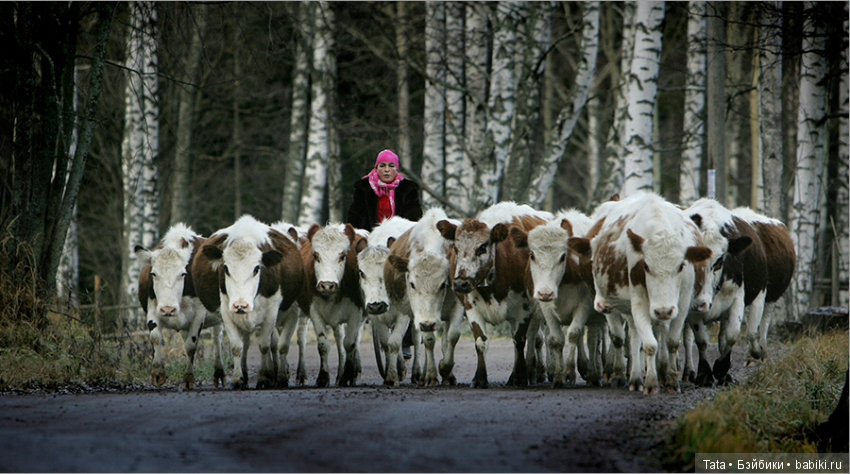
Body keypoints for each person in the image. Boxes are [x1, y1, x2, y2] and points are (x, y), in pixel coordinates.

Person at [347, 149, 422, 360]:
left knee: (404, 282)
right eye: (382, 166)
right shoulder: (363, 188)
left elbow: (415, 216)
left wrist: (397, 233)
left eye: (391, 166)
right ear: (376, 168)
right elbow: (355, 216)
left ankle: (406, 339)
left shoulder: (408, 188)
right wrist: (367, 238)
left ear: (397, 169)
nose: (387, 170)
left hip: (398, 239)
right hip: (372, 240)